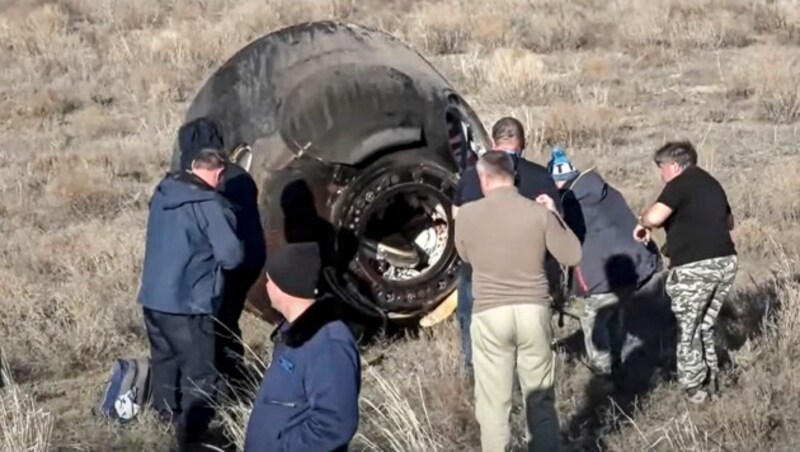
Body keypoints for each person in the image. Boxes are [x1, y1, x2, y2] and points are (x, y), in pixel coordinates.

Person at [454, 151, 582, 452]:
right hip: (533, 310)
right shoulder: (537, 213)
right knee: (540, 400)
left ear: (484, 178)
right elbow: (573, 255)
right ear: (514, 176)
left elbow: (464, 256)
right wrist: (554, 213)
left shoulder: (468, 215)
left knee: (493, 406)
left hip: (490, 313)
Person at [137, 148, 245, 448]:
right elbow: (232, 256)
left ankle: (165, 418)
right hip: (188, 303)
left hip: (153, 298)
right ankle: (193, 437)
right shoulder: (211, 205)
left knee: (165, 361)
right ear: (219, 173)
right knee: (201, 373)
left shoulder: (164, 192)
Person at [452, 116, 561, 376]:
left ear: (493, 141)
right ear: (521, 143)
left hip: (479, 270)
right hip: (529, 270)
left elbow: (456, 217)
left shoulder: (470, 177)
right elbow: (556, 221)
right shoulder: (539, 176)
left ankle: (477, 373)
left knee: (473, 324)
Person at [634, 141, 737, 404]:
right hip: (724, 262)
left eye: (661, 168)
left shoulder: (679, 183)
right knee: (705, 324)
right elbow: (729, 222)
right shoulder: (712, 183)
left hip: (694, 267)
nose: (661, 174)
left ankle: (694, 389)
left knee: (689, 328)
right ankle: (711, 378)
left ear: (675, 166)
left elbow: (655, 216)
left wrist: (643, 223)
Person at [548, 147, 661, 379]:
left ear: (557, 182)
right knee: (616, 313)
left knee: (594, 321)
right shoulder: (605, 190)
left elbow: (565, 238)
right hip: (632, 268)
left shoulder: (570, 202)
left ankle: (605, 375)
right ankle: (622, 363)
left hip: (600, 275)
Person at [177, 118, 268, 400]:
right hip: (249, 259)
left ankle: (226, 387)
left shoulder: (208, 182)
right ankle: (235, 379)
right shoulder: (239, 175)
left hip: (226, 262)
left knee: (215, 325)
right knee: (228, 321)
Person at [244, 242, 361, 452]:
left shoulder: (330, 344)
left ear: (285, 287)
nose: (266, 286)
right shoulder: (293, 332)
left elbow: (335, 424)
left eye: (270, 280)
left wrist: (282, 448)